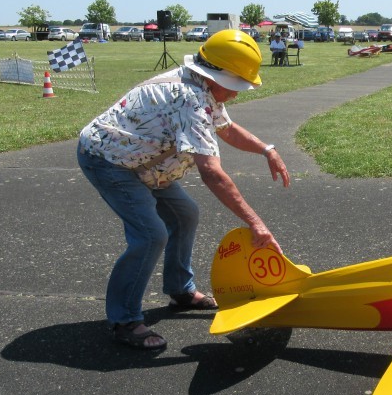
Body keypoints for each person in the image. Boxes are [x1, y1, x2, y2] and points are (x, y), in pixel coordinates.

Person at [77, 29, 290, 350]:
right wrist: (256, 224)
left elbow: (227, 129)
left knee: (185, 214)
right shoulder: (189, 99)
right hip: (110, 160)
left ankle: (180, 290)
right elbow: (212, 174)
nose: (235, 94)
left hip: (146, 162)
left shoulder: (202, 85)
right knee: (151, 234)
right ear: (215, 73)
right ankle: (124, 320)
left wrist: (267, 149)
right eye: (234, 86)